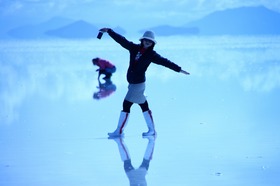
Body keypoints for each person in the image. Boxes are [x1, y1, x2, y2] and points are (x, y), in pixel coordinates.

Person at [98, 28, 190, 137]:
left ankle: (119, 131)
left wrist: (179, 69)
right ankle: (151, 130)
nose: (147, 42)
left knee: (126, 104)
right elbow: (122, 40)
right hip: (133, 84)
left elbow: (165, 62)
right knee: (143, 105)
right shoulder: (133, 48)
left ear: (152, 43)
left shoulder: (152, 55)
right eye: (146, 40)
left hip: (138, 84)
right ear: (142, 40)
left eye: (150, 41)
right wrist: (109, 31)